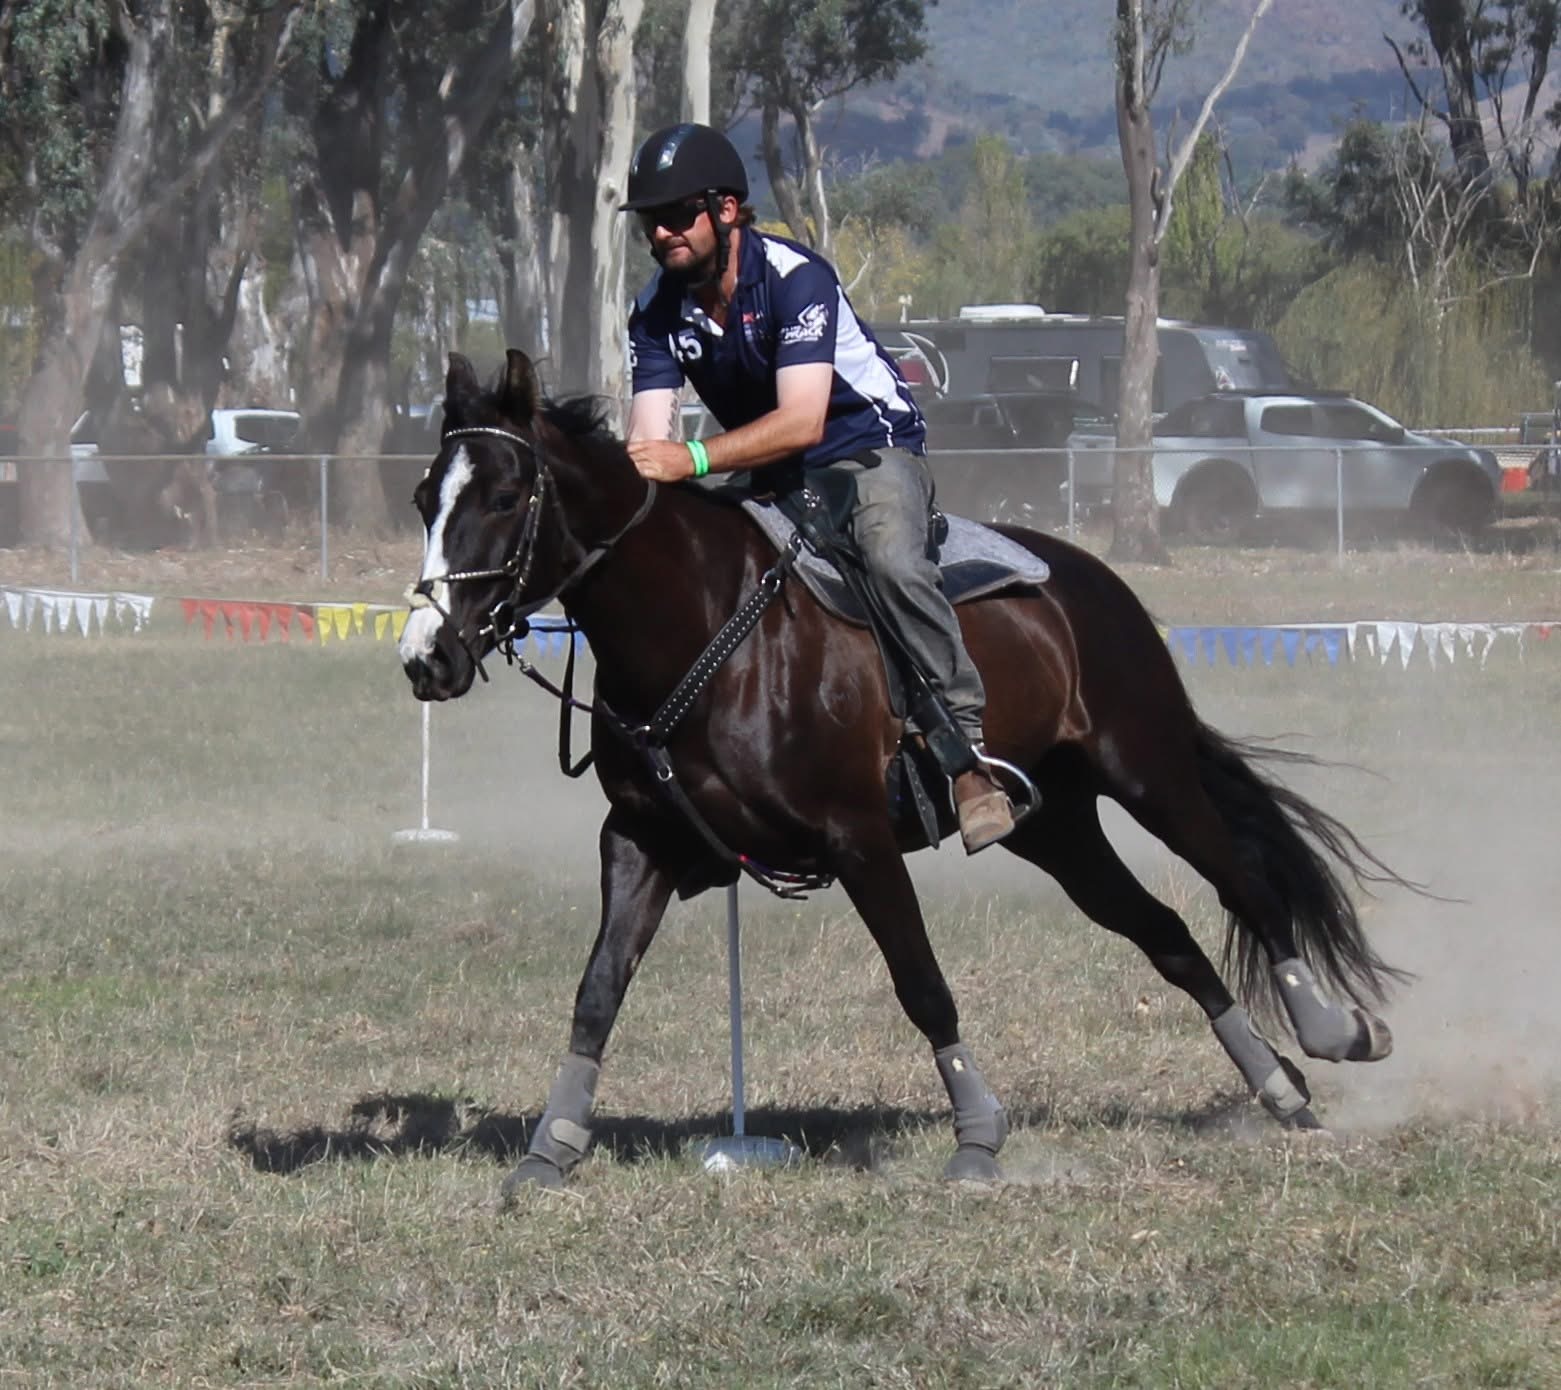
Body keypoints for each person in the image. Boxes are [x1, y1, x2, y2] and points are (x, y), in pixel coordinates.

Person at [620, 122, 1013, 854]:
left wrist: (690, 459)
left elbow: (801, 421)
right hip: (770, 464)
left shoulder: (795, 277)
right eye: (651, 219)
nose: (662, 232)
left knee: (891, 561)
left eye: (677, 214)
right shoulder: (654, 311)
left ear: (726, 210)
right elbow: (649, 447)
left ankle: (967, 756)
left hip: (865, 447)